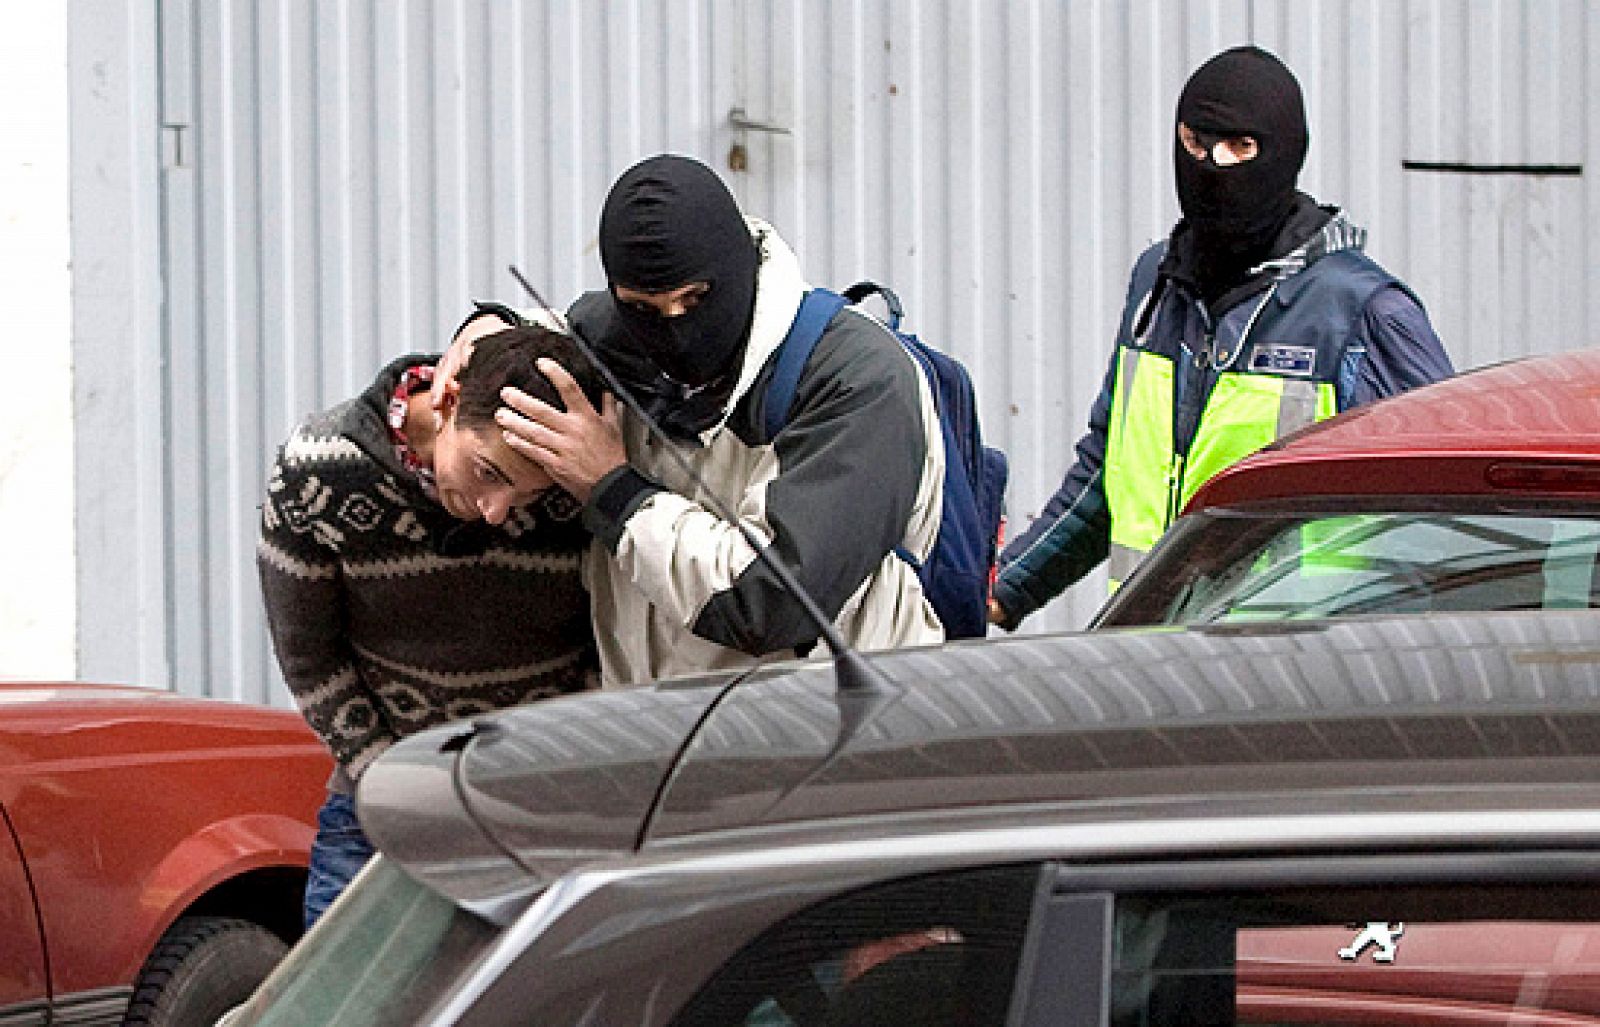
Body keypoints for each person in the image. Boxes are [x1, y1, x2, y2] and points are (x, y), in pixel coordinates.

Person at [990, 44, 1453, 630]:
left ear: (1285, 154)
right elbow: (1107, 478)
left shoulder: (1359, 313)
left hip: (1296, 676)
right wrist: (1006, 591)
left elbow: (1436, 513)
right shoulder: (1157, 286)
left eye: (1241, 147)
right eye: (1195, 144)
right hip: (1148, 652)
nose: (1211, 166)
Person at [446, 153, 946, 685]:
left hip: (844, 737)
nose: (677, 329)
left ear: (738, 265)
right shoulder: (614, 339)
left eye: (697, 298)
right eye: (644, 308)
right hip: (657, 733)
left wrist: (612, 490)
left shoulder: (858, 380)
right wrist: (486, 330)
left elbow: (769, 600)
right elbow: (536, 349)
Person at [257, 317, 604, 927]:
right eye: (488, 474)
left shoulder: (570, 477)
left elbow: (612, 638)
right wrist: (392, 781)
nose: (497, 514)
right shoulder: (316, 471)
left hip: (543, 804)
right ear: (445, 401)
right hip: (382, 802)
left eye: (524, 498)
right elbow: (310, 659)